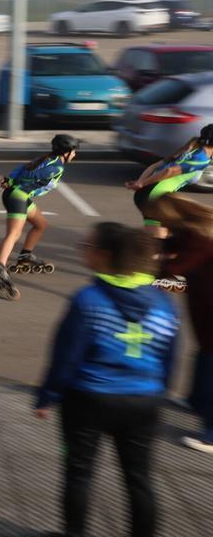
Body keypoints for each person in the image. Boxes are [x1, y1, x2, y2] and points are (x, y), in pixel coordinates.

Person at [34, 221, 180, 537]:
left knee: (79, 473)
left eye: (86, 247)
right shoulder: (164, 304)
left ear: (104, 256)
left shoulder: (88, 300)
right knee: (138, 477)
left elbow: (66, 356)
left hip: (88, 399)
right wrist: (158, 393)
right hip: (144, 401)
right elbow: (170, 359)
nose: (82, 251)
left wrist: (48, 396)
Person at [146, 194, 213, 454]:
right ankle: (195, 401)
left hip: (209, 307)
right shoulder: (190, 232)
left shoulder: (200, 237)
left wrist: (144, 267)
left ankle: (210, 435)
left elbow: (174, 267)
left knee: (210, 367)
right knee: (204, 357)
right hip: (204, 306)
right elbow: (168, 244)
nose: (160, 224)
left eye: (161, 220)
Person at [0, 133, 81, 298]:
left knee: (40, 224)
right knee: (14, 233)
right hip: (17, 196)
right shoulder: (55, 166)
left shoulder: (48, 159)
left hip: (20, 195)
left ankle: (25, 255)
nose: (75, 155)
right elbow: (27, 176)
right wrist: (11, 182)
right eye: (74, 151)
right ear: (66, 152)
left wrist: (9, 179)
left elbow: (22, 168)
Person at [126, 124, 213, 238]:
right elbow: (169, 171)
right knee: (161, 238)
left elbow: (154, 166)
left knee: (158, 235)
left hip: (148, 193)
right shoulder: (201, 160)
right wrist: (141, 184)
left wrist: (141, 182)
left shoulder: (191, 148)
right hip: (155, 197)